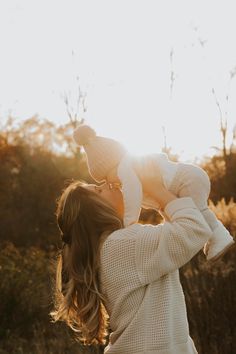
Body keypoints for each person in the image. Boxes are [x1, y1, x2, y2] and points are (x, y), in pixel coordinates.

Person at [50, 167, 213, 353]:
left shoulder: (110, 247)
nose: (106, 184)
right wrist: (157, 189)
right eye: (99, 190)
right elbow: (195, 228)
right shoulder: (123, 244)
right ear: (96, 211)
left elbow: (174, 234)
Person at [73, 124, 234, 262]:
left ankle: (220, 236)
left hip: (188, 180)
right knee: (190, 214)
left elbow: (133, 196)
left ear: (112, 164)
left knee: (198, 211)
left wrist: (129, 223)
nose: (111, 183)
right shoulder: (130, 168)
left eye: (107, 178)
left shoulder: (126, 168)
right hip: (190, 178)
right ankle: (211, 236)